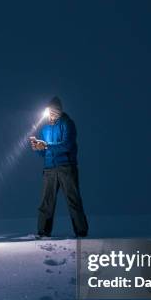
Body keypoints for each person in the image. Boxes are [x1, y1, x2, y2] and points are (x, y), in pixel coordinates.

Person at [30, 97, 89, 238]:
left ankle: (81, 231)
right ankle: (43, 231)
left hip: (66, 167)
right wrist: (38, 148)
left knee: (73, 199)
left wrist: (47, 145)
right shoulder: (45, 129)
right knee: (46, 201)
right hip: (49, 168)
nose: (49, 114)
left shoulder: (68, 124)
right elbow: (45, 152)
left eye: (51, 111)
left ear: (57, 111)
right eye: (47, 112)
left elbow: (67, 145)